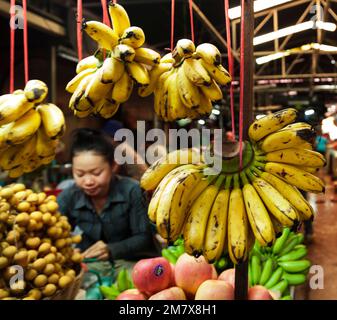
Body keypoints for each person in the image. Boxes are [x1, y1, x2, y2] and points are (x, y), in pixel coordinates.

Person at [57, 128, 160, 271]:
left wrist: (112, 249)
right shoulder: (68, 197)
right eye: (79, 174)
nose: (88, 181)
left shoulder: (132, 191)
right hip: (92, 266)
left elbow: (144, 238)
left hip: (135, 264)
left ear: (113, 166)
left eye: (96, 173)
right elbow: (55, 233)